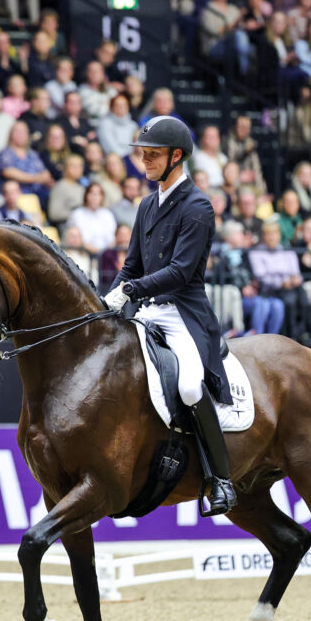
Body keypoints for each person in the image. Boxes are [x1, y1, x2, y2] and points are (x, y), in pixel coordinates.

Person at [103, 116, 236, 517]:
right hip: (145, 307)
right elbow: (132, 266)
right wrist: (107, 296)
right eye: (142, 153)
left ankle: (221, 480)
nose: (144, 160)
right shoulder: (147, 203)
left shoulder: (197, 207)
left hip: (182, 310)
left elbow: (179, 271)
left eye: (153, 154)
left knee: (192, 387)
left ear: (176, 156)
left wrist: (132, 290)